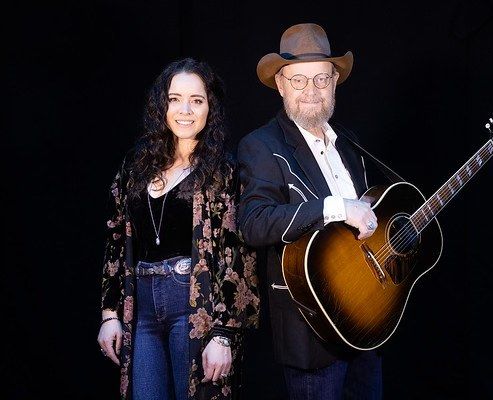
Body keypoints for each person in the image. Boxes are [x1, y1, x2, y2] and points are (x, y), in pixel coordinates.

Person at [97, 57, 260, 400]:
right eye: (174, 99)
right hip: (141, 309)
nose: (184, 110)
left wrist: (222, 334)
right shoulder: (136, 164)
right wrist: (110, 314)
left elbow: (239, 257)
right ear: (162, 105)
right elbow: (115, 238)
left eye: (196, 100)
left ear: (209, 108)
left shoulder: (223, 170)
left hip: (192, 304)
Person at [237, 23, 383, 399]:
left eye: (321, 79)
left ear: (335, 82)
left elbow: (365, 216)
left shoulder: (350, 144)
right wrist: (337, 207)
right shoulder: (262, 145)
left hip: (366, 320)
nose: (311, 91)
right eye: (298, 81)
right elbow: (253, 223)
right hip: (311, 331)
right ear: (281, 85)